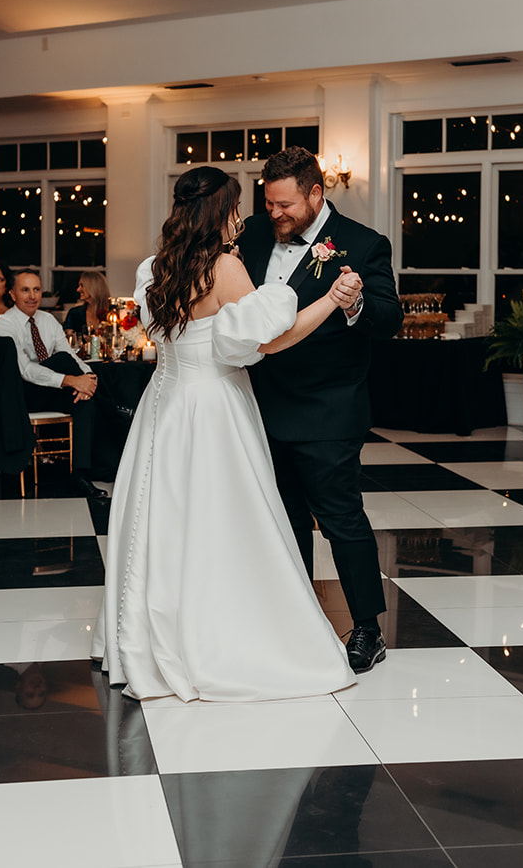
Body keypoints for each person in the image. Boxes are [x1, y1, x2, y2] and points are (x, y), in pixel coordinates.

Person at [92, 165, 364, 701]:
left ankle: (146, 640)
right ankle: (214, 639)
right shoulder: (226, 269)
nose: (243, 217)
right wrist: (331, 300)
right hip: (214, 404)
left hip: (163, 405)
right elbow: (271, 342)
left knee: (160, 517)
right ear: (223, 212)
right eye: (237, 207)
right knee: (224, 521)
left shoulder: (153, 268)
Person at [234, 146, 402, 674]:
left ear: (315, 193)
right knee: (281, 521)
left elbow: (389, 318)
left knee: (340, 520)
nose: (276, 214)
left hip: (327, 409)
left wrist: (353, 302)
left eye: (285, 205)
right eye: (269, 204)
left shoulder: (362, 244)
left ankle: (368, 628)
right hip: (259, 404)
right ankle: (296, 617)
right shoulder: (255, 235)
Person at [0, 270, 108, 499]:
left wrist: (88, 378)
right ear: (13, 294)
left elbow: (68, 352)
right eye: (25, 290)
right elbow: (24, 370)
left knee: (84, 400)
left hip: (48, 388)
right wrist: (71, 380)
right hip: (19, 394)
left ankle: (80, 474)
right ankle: (113, 405)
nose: (32, 295)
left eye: (36, 289)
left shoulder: (47, 320)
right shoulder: (3, 325)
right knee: (64, 364)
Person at [63, 270, 111, 338]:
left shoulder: (112, 314)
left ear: (93, 287)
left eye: (82, 286)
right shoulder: (74, 314)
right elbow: (67, 341)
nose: (78, 289)